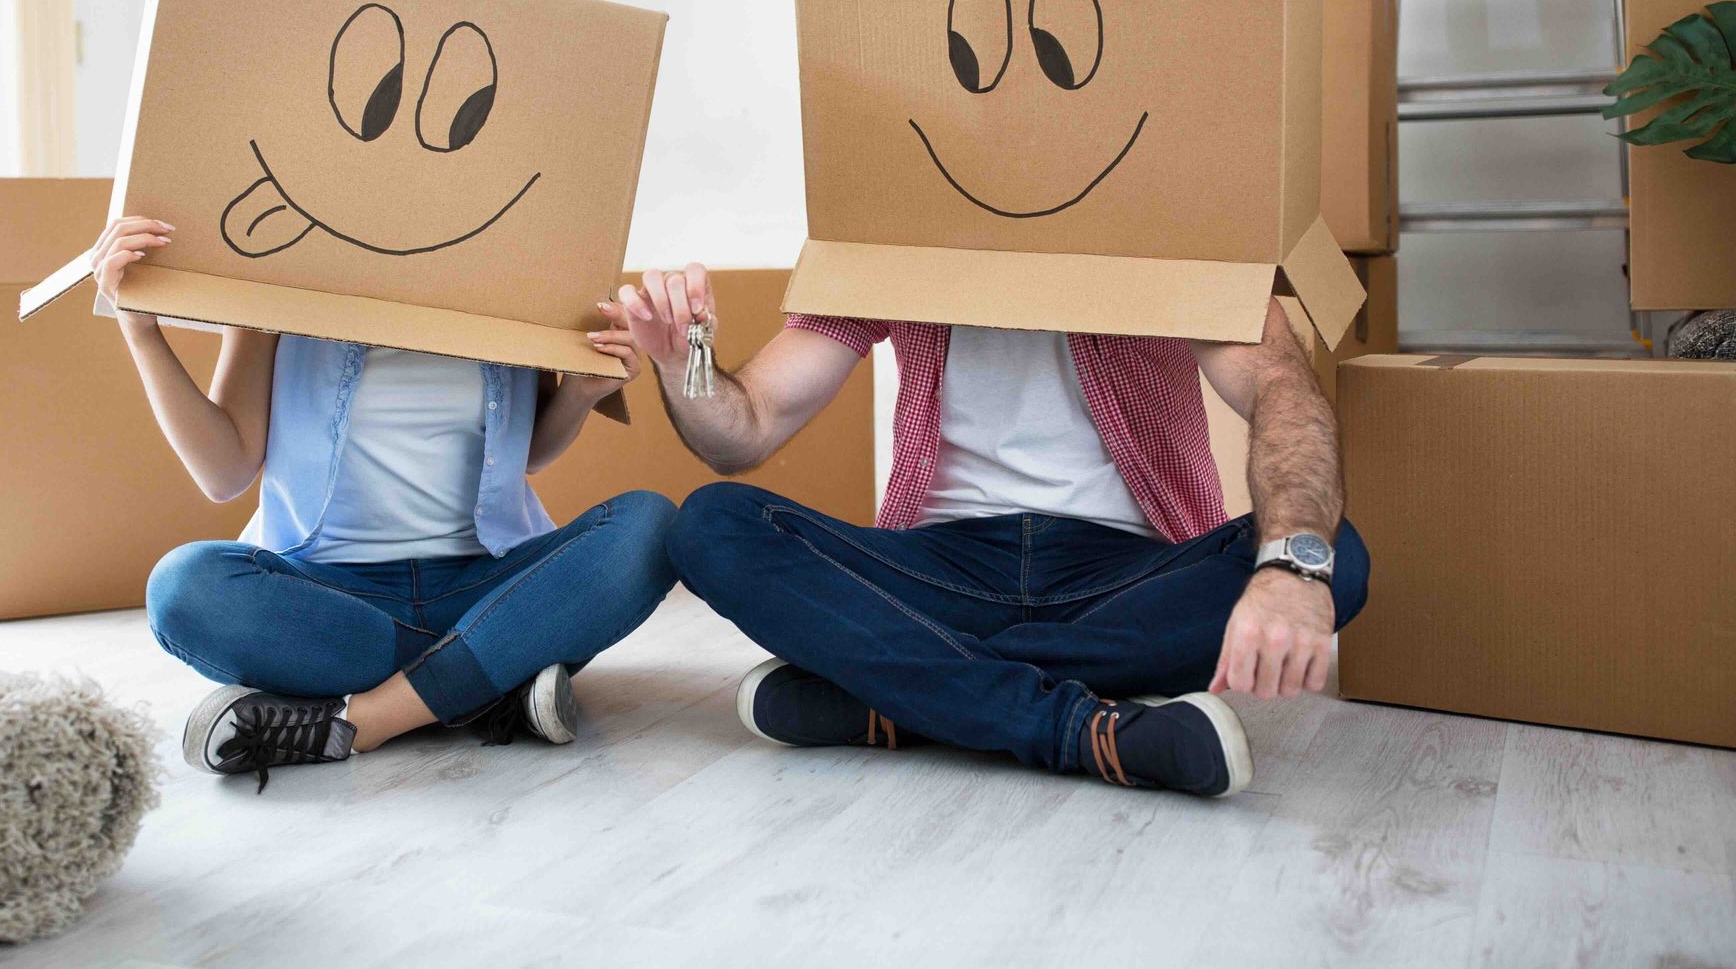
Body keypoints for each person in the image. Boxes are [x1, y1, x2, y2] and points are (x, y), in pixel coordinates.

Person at [603, 265, 1368, 797]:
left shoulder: (1177, 220)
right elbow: (745, 432)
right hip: (940, 575)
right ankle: (1080, 729)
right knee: (712, 524)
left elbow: (1282, 391)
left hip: (1121, 581)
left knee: (1335, 556)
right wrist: (686, 361)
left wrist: (1288, 571)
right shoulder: (893, 230)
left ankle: (903, 690)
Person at [90, 215, 676, 791]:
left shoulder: (513, 274)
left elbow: (530, 455)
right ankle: (493, 677)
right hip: (335, 601)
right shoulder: (276, 282)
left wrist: (576, 395)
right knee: (182, 586)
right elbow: (223, 473)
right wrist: (142, 332)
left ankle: (364, 721)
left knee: (650, 527)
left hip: (490, 583)